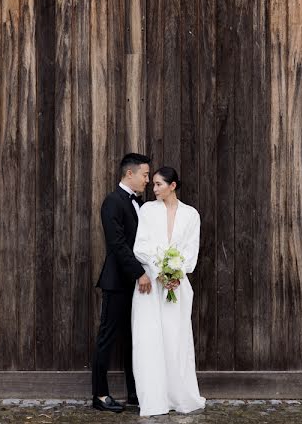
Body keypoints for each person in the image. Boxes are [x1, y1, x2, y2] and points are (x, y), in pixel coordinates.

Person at [131, 166, 205, 417]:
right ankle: (154, 398)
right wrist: (159, 270)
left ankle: (179, 394)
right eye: (152, 184)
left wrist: (176, 274)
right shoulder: (148, 210)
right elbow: (140, 246)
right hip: (151, 283)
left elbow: (191, 250)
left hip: (177, 284)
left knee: (176, 338)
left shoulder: (191, 214)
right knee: (150, 338)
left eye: (159, 185)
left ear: (172, 186)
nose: (154, 189)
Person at [91, 153, 153, 413]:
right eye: (145, 175)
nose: (148, 180)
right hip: (118, 281)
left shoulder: (140, 203)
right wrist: (139, 273)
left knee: (133, 339)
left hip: (135, 283)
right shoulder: (112, 202)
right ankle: (100, 395)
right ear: (130, 174)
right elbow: (117, 244)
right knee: (107, 337)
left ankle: (134, 392)